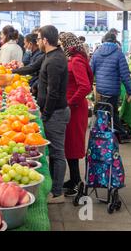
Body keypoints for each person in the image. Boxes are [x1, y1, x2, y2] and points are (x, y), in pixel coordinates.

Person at [37, 25, 70, 204]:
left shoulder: (55, 60)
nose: (37, 42)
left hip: (56, 113)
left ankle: (57, 193)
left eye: (38, 39)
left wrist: (46, 114)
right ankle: (54, 188)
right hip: (54, 112)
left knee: (57, 153)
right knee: (55, 153)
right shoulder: (51, 56)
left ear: (45, 40)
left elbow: (54, 92)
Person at [59, 33, 94, 197]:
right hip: (73, 107)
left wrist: (70, 102)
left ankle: (77, 183)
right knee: (69, 145)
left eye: (61, 43)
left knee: (73, 145)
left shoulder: (77, 61)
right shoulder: (74, 59)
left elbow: (85, 87)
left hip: (75, 108)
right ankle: (74, 179)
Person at [90, 32, 131, 143]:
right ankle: (99, 136)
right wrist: (129, 91)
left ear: (104, 40)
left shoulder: (97, 52)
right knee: (108, 113)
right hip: (113, 90)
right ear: (115, 41)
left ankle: (120, 134)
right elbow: (125, 74)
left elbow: (90, 72)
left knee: (110, 112)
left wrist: (90, 87)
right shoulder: (119, 53)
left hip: (100, 89)